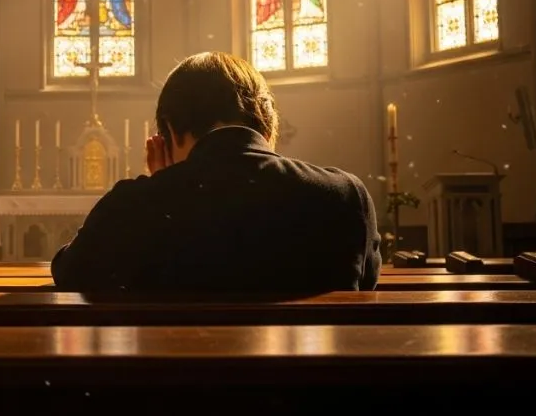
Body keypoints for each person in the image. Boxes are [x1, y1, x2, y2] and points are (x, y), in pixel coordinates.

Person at [50, 52, 381, 293]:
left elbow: (70, 272)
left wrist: (163, 188)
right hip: (316, 388)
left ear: (170, 130)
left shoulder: (131, 205)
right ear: (268, 127)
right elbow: (364, 283)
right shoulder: (344, 196)